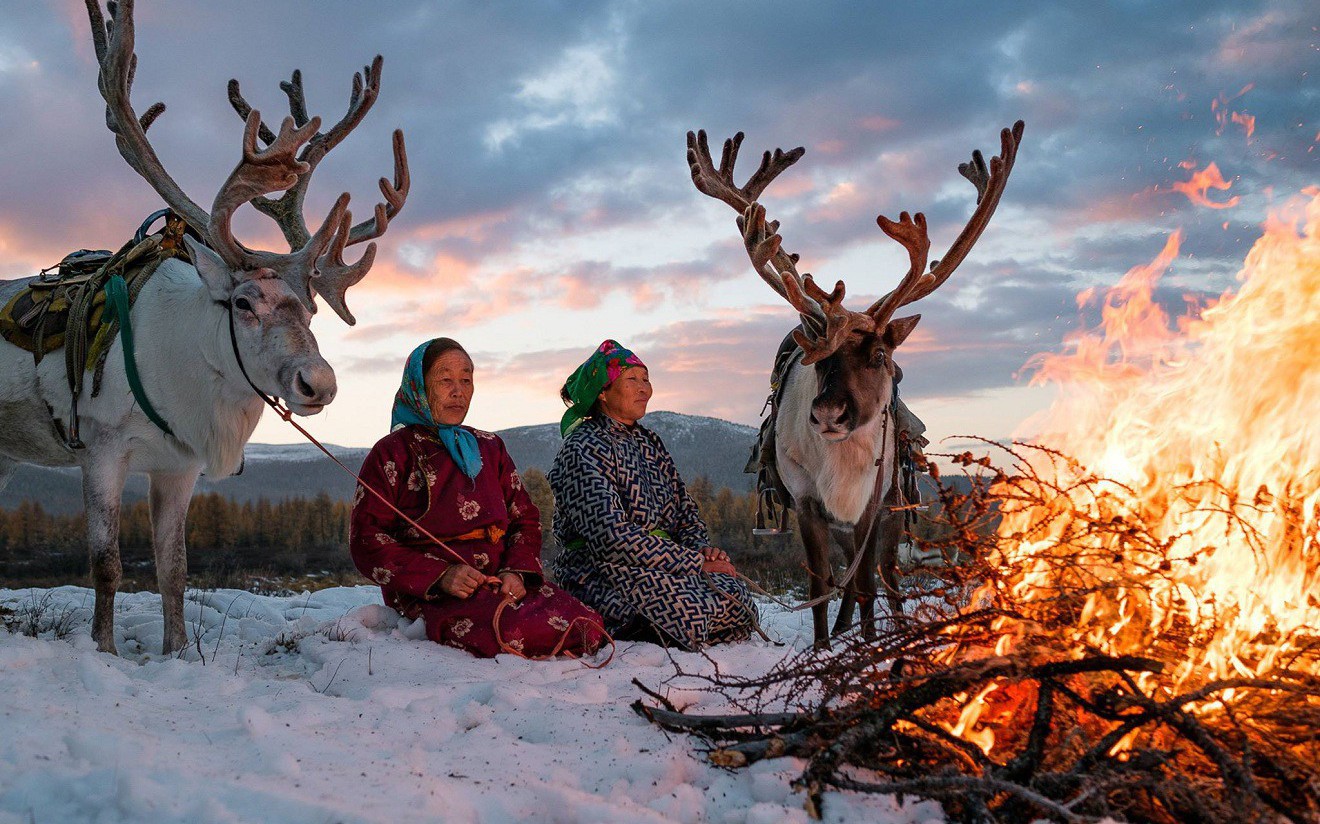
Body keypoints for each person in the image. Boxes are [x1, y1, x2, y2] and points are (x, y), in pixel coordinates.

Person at [350, 338, 608, 659]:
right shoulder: (392, 453)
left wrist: (516, 572)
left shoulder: (490, 447)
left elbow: (524, 518)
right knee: (513, 630)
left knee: (589, 622)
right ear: (417, 385)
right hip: (434, 591)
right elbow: (367, 540)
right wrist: (441, 576)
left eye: (466, 380)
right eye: (445, 380)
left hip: (502, 580)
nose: (458, 391)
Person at [549, 339, 758, 651]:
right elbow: (611, 537)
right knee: (690, 612)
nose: (644, 388)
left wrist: (702, 551)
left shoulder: (650, 443)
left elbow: (685, 511)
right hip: (602, 568)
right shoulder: (582, 449)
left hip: (660, 563)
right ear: (603, 392)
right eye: (632, 379)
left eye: (646, 379)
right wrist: (692, 563)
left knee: (736, 597)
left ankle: (673, 625)